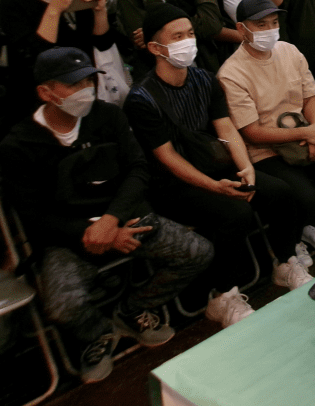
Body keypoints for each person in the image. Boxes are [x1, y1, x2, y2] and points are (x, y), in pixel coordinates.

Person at [0, 48, 214, 384]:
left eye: (89, 79)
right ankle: (97, 333)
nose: (86, 89)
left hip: (124, 219)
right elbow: (35, 215)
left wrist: (111, 221)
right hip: (67, 238)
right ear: (46, 92)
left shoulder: (107, 117)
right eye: (74, 84)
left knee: (197, 251)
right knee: (61, 305)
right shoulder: (18, 146)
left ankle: (133, 310)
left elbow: (137, 170)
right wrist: (91, 232)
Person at [123, 5, 311, 328]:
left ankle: (284, 262)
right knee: (234, 212)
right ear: (155, 48)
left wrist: (247, 169)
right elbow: (166, 156)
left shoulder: (203, 79)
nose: (188, 41)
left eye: (190, 34)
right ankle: (222, 296)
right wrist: (215, 187)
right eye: (177, 36)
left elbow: (226, 128)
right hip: (172, 184)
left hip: (211, 165)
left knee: (279, 191)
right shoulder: (142, 98)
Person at [217, 0, 315, 244]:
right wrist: (306, 134)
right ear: (241, 29)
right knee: (304, 196)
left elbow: (310, 98)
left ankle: (313, 223)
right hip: (265, 151)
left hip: (303, 135)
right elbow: (252, 132)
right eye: (261, 25)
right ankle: (292, 241)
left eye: (273, 23)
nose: (270, 30)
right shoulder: (231, 73)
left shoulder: (289, 51)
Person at [0, 0, 115, 132]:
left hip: (83, 95)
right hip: (36, 106)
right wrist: (54, 8)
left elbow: (102, 43)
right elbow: (33, 59)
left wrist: (100, 11)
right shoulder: (11, 2)